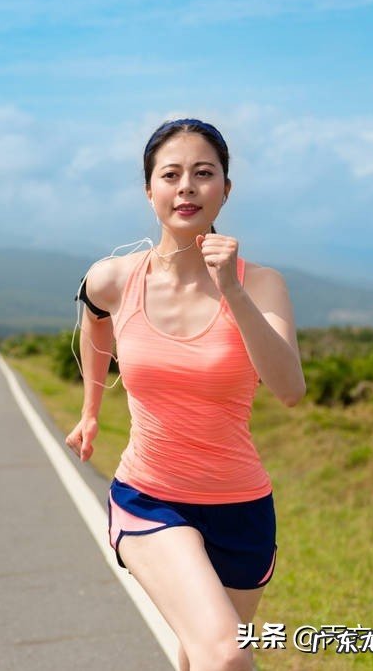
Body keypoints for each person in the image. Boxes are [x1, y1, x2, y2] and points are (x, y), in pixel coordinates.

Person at [65, 119, 306, 671]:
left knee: (199, 656)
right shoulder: (115, 278)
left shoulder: (262, 283)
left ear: (226, 188)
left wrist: (233, 293)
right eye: (170, 175)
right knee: (227, 657)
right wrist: (90, 410)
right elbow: (94, 317)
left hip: (243, 510)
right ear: (149, 190)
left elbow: (290, 389)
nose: (187, 187)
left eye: (204, 173)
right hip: (150, 499)